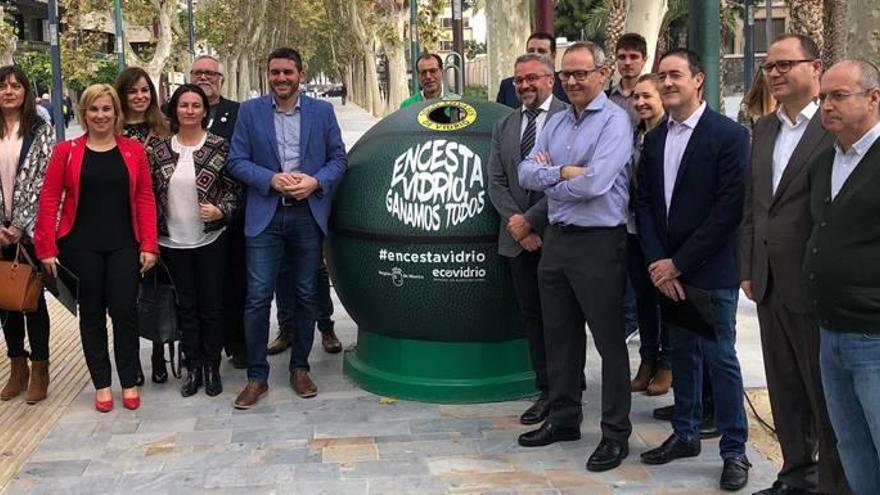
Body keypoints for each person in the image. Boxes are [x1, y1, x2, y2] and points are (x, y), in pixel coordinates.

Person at [634, 49, 750, 491]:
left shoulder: (728, 135)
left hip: (709, 272)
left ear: (698, 79)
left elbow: (727, 211)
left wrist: (678, 263)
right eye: (661, 75)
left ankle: (735, 450)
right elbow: (644, 203)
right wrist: (657, 262)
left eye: (675, 74)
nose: (667, 83)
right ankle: (683, 434)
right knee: (680, 353)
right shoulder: (657, 137)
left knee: (720, 359)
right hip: (666, 273)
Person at [516, 41, 633, 474]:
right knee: (559, 337)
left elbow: (596, 184)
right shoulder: (558, 122)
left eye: (582, 73)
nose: (573, 81)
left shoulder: (616, 122)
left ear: (603, 75)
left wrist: (553, 180)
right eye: (567, 74)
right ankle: (564, 419)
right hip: (558, 240)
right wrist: (563, 173)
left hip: (599, 242)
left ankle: (615, 433)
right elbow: (526, 170)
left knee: (608, 341)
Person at [741, 34, 849, 495]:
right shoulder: (763, 128)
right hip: (766, 282)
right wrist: (747, 266)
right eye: (769, 67)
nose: (776, 73)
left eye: (786, 64)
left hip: (813, 283)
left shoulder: (835, 127)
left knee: (823, 395)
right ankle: (794, 475)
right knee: (784, 389)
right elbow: (754, 206)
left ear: (815, 67)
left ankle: (833, 483)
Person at [228, 47, 346, 409]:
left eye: (288, 72)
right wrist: (271, 179)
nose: (281, 78)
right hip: (266, 214)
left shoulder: (322, 112)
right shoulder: (249, 112)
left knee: (307, 293)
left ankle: (299, 368)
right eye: (275, 72)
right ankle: (257, 378)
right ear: (268, 75)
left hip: (306, 214)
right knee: (258, 297)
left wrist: (315, 182)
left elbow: (339, 159)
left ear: (301, 74)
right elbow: (237, 161)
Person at [34, 84, 158, 413]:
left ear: (116, 113)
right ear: (84, 114)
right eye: (94, 109)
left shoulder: (133, 150)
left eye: (106, 109)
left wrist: (149, 244)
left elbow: (145, 199)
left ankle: (129, 380)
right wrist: (45, 247)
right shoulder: (67, 151)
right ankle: (102, 384)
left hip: (123, 245)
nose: (100, 115)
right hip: (80, 245)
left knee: (125, 313)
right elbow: (48, 200)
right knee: (90, 316)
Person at [807, 58, 880, 495]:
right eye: (822, 98)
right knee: (853, 446)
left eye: (838, 96)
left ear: (874, 98)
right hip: (830, 333)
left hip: (873, 336)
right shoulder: (825, 162)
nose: (827, 107)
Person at [487, 52, 568, 426]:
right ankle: (546, 391)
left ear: (551, 80)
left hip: (559, 238)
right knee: (533, 319)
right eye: (519, 80)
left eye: (533, 78)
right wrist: (518, 224)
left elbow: (565, 180)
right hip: (516, 241)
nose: (525, 86)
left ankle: (568, 389)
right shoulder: (504, 125)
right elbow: (497, 181)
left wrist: (533, 223)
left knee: (564, 320)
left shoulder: (570, 119)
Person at [147, 84, 239, 398]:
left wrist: (221, 210)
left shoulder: (219, 146)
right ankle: (193, 367)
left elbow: (233, 190)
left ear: (204, 110)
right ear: (174, 110)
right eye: (183, 105)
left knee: (211, 306)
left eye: (195, 105)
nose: (189, 110)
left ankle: (212, 366)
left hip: (210, 239)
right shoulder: (157, 150)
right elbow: (147, 195)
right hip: (172, 243)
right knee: (185, 307)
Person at [188, 54, 248, 369]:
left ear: (220, 79)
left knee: (234, 283)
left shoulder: (238, 113)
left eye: (210, 73)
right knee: (196, 289)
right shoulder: (179, 112)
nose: (204, 78)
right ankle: (196, 350)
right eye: (198, 72)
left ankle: (238, 344)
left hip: (232, 215)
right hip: (187, 219)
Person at [0, 65, 54, 404]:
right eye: (2, 86)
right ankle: (16, 366)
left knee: (31, 300)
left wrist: (18, 224)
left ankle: (40, 368)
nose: (8, 91)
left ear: (25, 92)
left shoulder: (41, 129)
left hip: (29, 231)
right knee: (5, 299)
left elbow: (43, 180)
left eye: (15, 86)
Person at [115, 67, 171, 385]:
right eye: (133, 91)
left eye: (144, 90)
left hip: (161, 221)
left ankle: (158, 354)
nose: (139, 97)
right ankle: (131, 359)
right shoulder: (112, 131)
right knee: (126, 298)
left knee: (159, 292)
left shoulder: (164, 129)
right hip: (123, 223)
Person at [627, 73, 671, 396]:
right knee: (643, 300)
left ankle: (668, 363)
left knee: (665, 302)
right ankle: (647, 360)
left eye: (647, 97)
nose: (641, 103)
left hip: (664, 233)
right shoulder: (633, 136)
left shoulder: (671, 134)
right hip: (632, 229)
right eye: (636, 97)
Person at [496, 32, 569, 108]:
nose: (535, 55)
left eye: (541, 51)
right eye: (531, 51)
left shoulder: (565, 85)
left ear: (553, 56)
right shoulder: (507, 86)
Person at [608, 33, 647, 125]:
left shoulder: (654, 99)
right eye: (622, 57)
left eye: (634, 57)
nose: (627, 62)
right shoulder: (606, 97)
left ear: (644, 60)